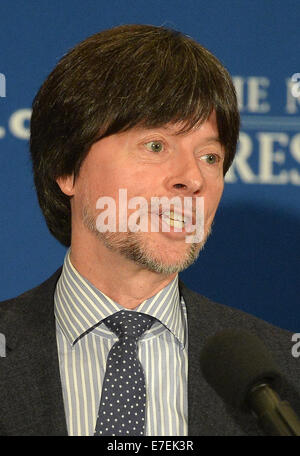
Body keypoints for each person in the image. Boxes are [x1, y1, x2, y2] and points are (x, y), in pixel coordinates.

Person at [0, 24, 299, 437]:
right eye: (156, 146)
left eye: (210, 156)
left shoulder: (281, 380)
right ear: (67, 168)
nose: (192, 178)